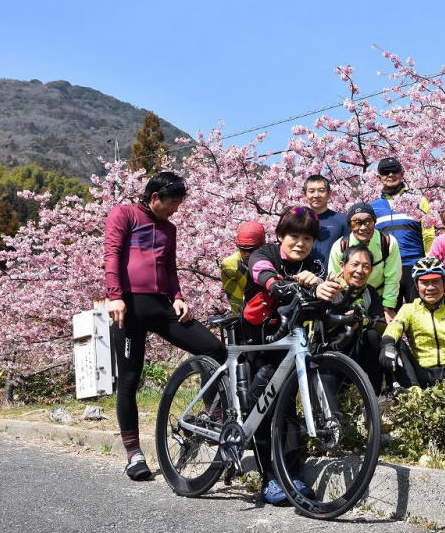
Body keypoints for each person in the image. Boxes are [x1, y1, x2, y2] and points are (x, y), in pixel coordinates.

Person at [103, 171, 226, 481]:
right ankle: (134, 454)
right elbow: (112, 254)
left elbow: (170, 267)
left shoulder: (169, 228)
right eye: (172, 203)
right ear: (154, 197)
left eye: (179, 204)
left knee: (213, 348)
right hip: (129, 307)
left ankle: (212, 416)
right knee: (129, 378)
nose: (175, 210)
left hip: (161, 306)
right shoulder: (125, 214)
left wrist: (178, 297)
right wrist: (115, 296)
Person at [242, 205, 343, 505]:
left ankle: (291, 474)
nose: (300, 243)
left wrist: (327, 289)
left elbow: (329, 292)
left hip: (291, 343)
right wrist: (285, 283)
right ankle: (268, 478)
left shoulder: (315, 262)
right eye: (294, 237)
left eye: (307, 238)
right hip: (258, 341)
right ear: (280, 236)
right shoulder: (265, 254)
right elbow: (263, 274)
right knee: (263, 406)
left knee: (287, 409)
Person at [379, 258, 445, 389]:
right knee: (395, 343)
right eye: (424, 283)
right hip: (422, 372)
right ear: (416, 285)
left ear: (444, 282)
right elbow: (395, 326)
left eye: (436, 281)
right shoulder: (409, 308)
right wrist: (387, 343)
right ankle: (412, 392)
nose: (430, 287)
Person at [370, 157, 435, 305]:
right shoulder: (373, 207)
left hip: (415, 265)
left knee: (420, 311)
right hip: (387, 269)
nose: (390, 174)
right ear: (379, 177)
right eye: (385, 172)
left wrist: (428, 261)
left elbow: (428, 235)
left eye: (395, 171)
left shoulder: (419, 201)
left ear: (402, 173)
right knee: (390, 312)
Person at [325, 245, 388, 393]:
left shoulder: (370, 292)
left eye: (366, 267)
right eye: (355, 264)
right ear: (342, 266)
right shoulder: (329, 289)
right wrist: (344, 320)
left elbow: (382, 325)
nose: (360, 271)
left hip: (359, 352)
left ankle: (375, 394)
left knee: (373, 335)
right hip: (332, 351)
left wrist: (365, 320)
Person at [327, 202, 402, 323]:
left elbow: (393, 277)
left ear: (375, 222)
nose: (362, 227)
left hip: (380, 298)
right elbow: (334, 278)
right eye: (356, 223)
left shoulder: (388, 242)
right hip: (348, 298)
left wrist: (388, 307)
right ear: (349, 225)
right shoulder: (340, 246)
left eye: (368, 221)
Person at [220, 220, 266, 315]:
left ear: (263, 245)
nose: (247, 254)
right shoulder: (230, 265)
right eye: (242, 248)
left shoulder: (274, 258)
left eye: (251, 249)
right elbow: (236, 303)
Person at [303, 174, 349, 269]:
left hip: (333, 276)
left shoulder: (342, 220)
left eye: (321, 190)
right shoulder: (298, 220)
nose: (316, 195)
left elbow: (351, 252)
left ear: (329, 193)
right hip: (301, 275)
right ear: (305, 194)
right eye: (311, 191)